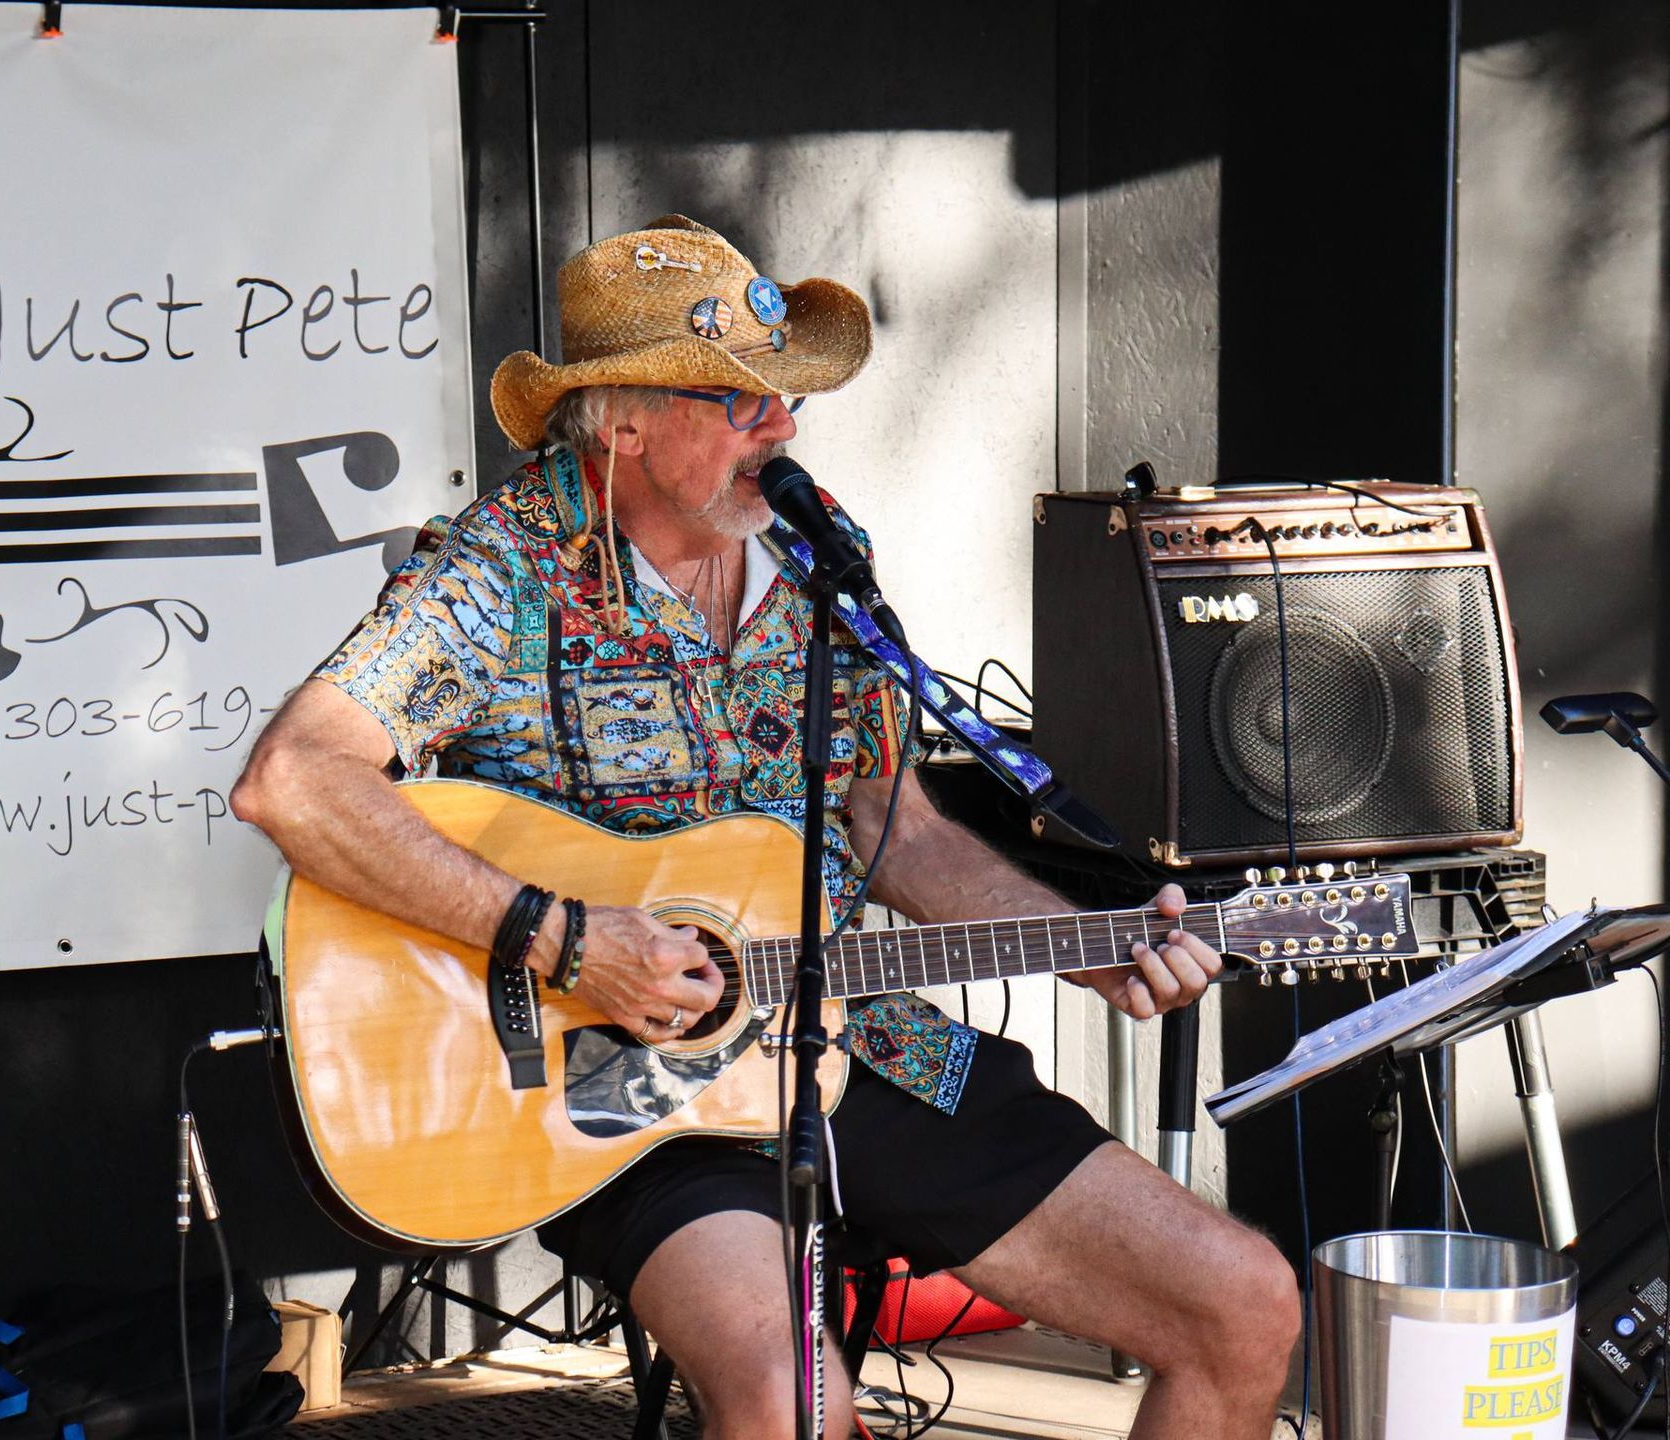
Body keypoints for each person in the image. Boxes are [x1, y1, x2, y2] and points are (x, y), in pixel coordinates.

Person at [230, 215, 1301, 1439]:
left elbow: (896, 830)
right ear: (623, 418)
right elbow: (294, 781)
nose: (781, 426)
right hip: (618, 1093)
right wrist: (566, 939)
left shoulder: (816, 554)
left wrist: (1084, 942)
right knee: (793, 1408)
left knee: (1244, 1304)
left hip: (859, 1035)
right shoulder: (502, 571)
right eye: (741, 400)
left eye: (785, 396)